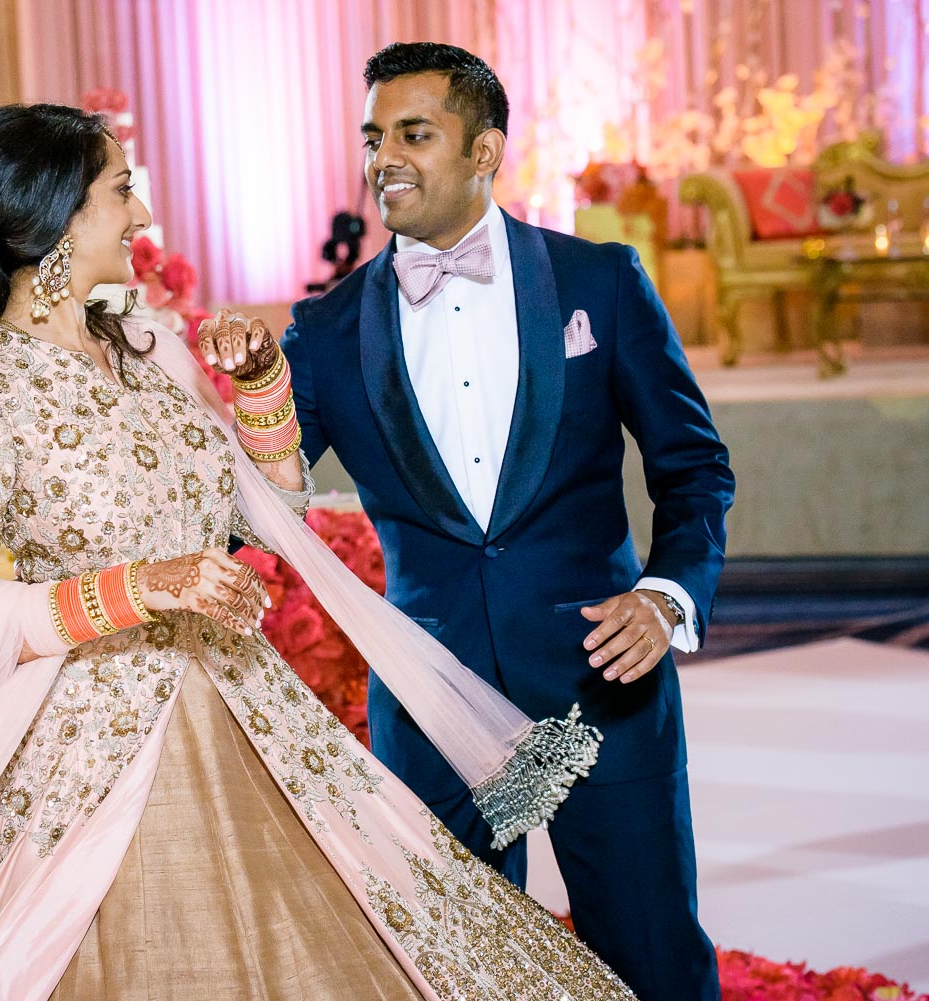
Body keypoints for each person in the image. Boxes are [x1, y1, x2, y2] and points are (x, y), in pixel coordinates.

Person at [0, 103, 635, 1001]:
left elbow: (274, 511)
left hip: (247, 706)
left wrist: (261, 386)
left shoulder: (148, 350)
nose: (142, 216)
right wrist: (141, 589)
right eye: (120, 192)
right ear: (57, 214)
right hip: (94, 746)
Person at [270, 42, 735, 1001]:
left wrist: (666, 593)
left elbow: (694, 467)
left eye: (413, 133)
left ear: (485, 152)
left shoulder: (600, 282)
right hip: (431, 700)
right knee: (457, 967)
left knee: (650, 951)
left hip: (600, 682)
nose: (383, 158)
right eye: (372, 137)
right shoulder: (322, 329)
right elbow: (263, 494)